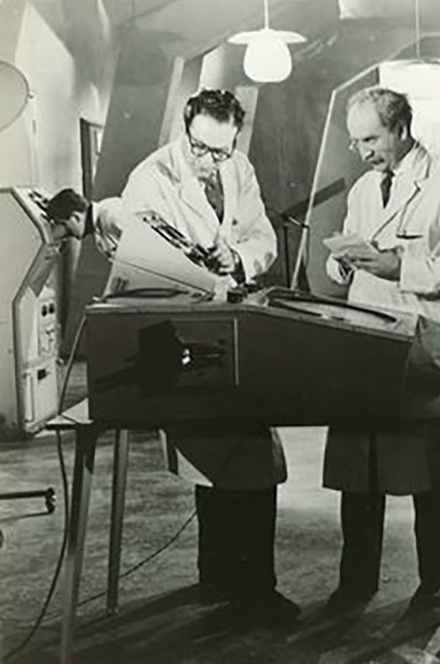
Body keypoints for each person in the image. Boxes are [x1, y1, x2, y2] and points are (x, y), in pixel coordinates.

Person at [46, 89, 297, 626]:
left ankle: (225, 578)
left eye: (222, 151)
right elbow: (143, 263)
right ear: (186, 132)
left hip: (229, 316)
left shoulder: (239, 169)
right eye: (201, 149)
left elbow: (262, 237)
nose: (211, 161)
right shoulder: (151, 177)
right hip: (181, 330)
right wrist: (194, 269)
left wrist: (238, 256)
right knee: (230, 450)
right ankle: (249, 589)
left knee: (239, 449)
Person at [323, 87, 440, 612]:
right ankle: (356, 582)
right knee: (359, 470)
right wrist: (341, 262)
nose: (362, 151)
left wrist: (403, 268)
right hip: (366, 340)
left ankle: (438, 578)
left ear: (400, 128)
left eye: (370, 139)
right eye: (356, 141)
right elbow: (350, 253)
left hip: (425, 346)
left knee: (431, 472)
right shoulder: (363, 189)